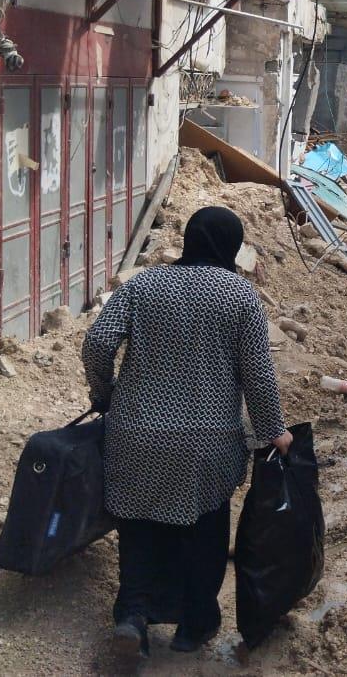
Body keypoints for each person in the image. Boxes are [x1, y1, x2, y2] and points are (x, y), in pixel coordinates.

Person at [81, 207, 291, 660]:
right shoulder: (239, 297)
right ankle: (193, 626)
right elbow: (257, 374)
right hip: (207, 443)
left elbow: (98, 342)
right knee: (204, 531)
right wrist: (274, 430)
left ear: (189, 240)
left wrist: (105, 395)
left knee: (137, 525)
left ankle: (132, 616)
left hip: (136, 432)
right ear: (231, 247)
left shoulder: (143, 284)